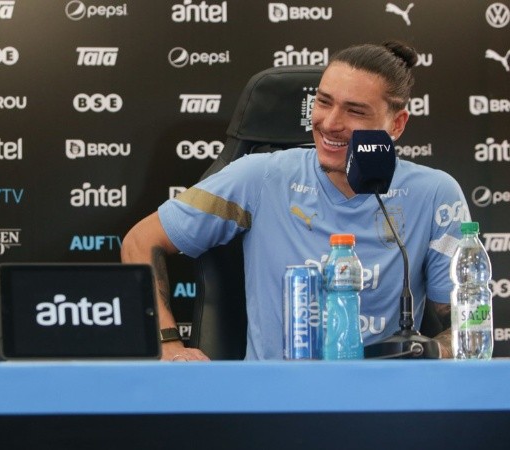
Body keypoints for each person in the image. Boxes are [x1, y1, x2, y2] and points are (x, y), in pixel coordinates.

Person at [121, 41, 468, 361]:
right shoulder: (260, 177)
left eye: (355, 111)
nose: (330, 123)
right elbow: (141, 241)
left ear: (397, 124)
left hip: (383, 395)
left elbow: (464, 319)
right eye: (323, 102)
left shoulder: (434, 194)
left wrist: (435, 351)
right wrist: (167, 343)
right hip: (274, 394)